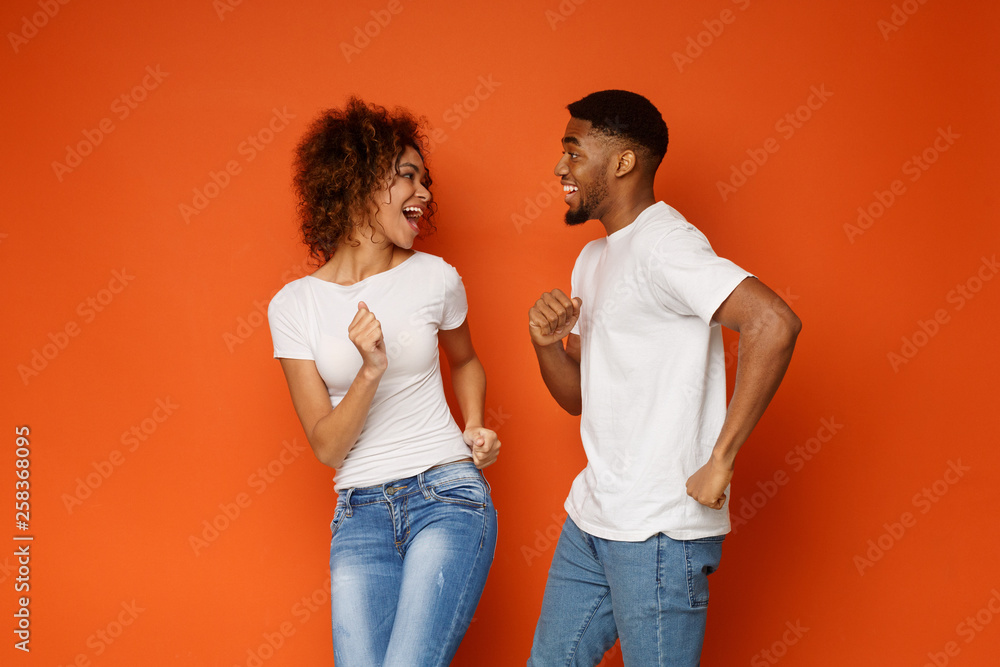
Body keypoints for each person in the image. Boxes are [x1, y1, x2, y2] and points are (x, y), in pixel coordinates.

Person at [526, 90, 801, 666]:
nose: (559, 168)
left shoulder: (664, 244)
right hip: (595, 517)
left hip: (658, 532)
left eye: (573, 152)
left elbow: (772, 323)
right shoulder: (594, 259)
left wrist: (721, 458)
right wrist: (547, 345)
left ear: (623, 162)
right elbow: (580, 398)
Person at [267, 97, 499, 667]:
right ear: (358, 182)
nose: (424, 193)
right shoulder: (294, 305)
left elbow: (465, 361)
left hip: (446, 495)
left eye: (426, 180)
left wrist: (474, 425)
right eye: (407, 177)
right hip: (359, 513)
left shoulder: (435, 278)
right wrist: (371, 370)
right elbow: (327, 445)